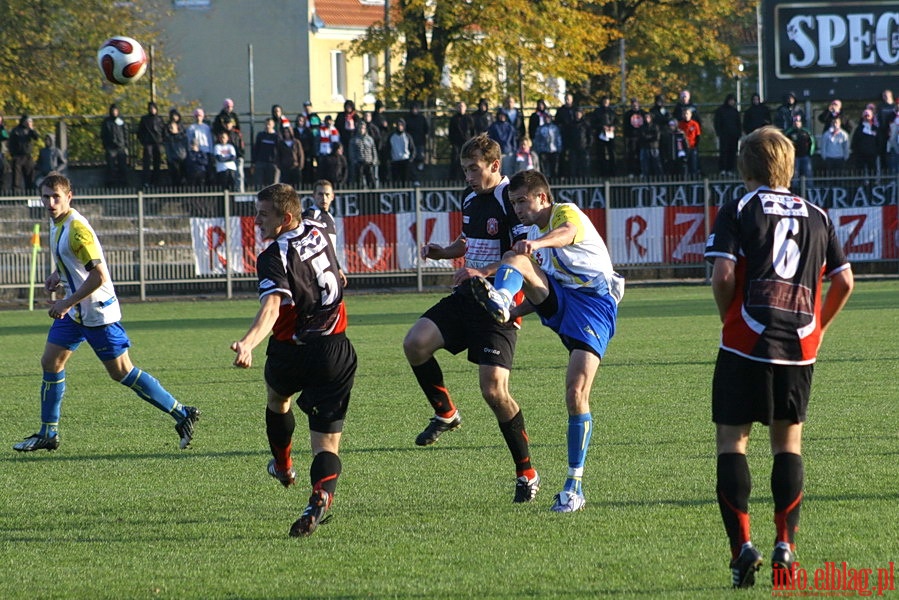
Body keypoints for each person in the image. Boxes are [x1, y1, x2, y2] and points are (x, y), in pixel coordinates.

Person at [703, 126, 853, 589]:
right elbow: (845, 282)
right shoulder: (819, 215)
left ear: (745, 167)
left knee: (733, 443)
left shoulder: (740, 207)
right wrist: (819, 329)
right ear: (788, 165)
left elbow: (723, 273)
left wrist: (728, 313)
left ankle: (741, 549)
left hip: (746, 340)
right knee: (788, 446)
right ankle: (785, 545)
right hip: (798, 345)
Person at [468, 169, 624, 513]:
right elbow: (541, 290)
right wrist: (516, 310)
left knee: (575, 393)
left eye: (523, 200)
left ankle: (573, 487)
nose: (519, 208)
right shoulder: (534, 233)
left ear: (543, 197)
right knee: (516, 259)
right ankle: (503, 302)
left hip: (594, 305)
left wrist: (536, 243)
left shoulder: (563, 213)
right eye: (514, 203)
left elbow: (567, 234)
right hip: (562, 299)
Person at [13, 172, 200, 453]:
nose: (50, 202)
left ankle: (181, 412)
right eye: (45, 197)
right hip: (76, 311)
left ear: (69, 197)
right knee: (50, 362)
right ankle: (47, 433)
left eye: (56, 197)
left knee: (122, 372)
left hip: (97, 312)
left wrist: (65, 302)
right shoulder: (57, 223)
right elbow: (75, 261)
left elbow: (99, 276)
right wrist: (58, 274)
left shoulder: (77, 228)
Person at [402, 133, 540, 504]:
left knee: (494, 391)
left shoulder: (511, 200)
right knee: (415, 344)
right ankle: (446, 413)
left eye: (474, 168)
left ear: (495, 165)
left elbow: (520, 256)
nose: (468, 175)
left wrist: (483, 273)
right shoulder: (469, 196)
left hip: (499, 301)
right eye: (464, 168)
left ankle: (527, 472)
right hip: (467, 295)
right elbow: (467, 241)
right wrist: (442, 251)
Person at [231, 182, 357, 538]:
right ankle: (319, 495)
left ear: (285, 218)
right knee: (326, 446)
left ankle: (284, 467)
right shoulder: (318, 228)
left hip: (291, 349)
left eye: (263, 214)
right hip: (335, 350)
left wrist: (248, 343)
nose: (255, 220)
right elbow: (333, 266)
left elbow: (272, 307)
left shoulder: (273, 255)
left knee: (277, 399)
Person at [302, 179, 348, 288]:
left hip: (328, 270)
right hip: (314, 272)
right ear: (314, 195)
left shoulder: (330, 217)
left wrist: (338, 268)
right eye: (320, 194)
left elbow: (330, 248)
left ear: (332, 196)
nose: (324, 198)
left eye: (327, 194)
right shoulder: (310, 215)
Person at [137, 101, 165, 187]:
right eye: (151, 108)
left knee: (157, 163)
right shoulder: (144, 119)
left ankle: (156, 181)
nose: (152, 110)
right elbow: (140, 132)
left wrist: (162, 141)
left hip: (158, 143)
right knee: (147, 163)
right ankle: (146, 181)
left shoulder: (160, 119)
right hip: (148, 143)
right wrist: (143, 141)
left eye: (154, 108)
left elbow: (163, 130)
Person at [100, 105, 128, 188]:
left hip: (120, 146)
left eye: (115, 111)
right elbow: (103, 134)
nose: (114, 112)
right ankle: (111, 183)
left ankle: (123, 183)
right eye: (113, 111)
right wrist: (106, 145)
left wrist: (125, 144)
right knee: (110, 166)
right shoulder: (107, 122)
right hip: (110, 146)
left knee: (122, 165)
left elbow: (125, 132)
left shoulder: (120, 121)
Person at [10, 114, 40, 190]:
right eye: (27, 121)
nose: (28, 123)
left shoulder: (30, 131)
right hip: (18, 157)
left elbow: (36, 137)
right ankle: (16, 199)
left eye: (30, 121)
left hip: (28, 157)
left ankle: (30, 196)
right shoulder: (16, 130)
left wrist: (31, 129)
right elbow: (11, 144)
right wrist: (13, 155)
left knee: (30, 178)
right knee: (16, 179)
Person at [714, 94, 741, 176]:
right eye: (730, 100)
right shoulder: (721, 111)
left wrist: (738, 133)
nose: (732, 102)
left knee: (732, 152)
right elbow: (717, 123)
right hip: (724, 135)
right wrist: (719, 133)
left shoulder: (735, 111)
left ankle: (730, 169)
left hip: (733, 135)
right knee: (723, 152)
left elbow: (738, 123)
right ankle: (723, 169)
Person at [785, 114, 815, 187]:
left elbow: (812, 142)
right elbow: (785, 144)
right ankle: (796, 189)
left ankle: (810, 189)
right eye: (795, 121)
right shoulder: (789, 132)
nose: (797, 123)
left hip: (805, 156)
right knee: (795, 173)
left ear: (801, 122)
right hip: (794, 157)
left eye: (798, 121)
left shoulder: (806, 132)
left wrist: (810, 153)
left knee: (808, 173)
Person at [448, 101, 475, 180]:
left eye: (462, 106)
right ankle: (453, 179)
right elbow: (451, 132)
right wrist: (452, 142)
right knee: (455, 160)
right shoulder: (453, 119)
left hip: (467, 143)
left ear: (465, 108)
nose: (461, 108)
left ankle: (466, 178)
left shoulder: (469, 118)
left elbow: (472, 131)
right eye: (459, 107)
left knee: (467, 160)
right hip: (456, 143)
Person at [591, 97, 617, 178]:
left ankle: (612, 172)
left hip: (610, 134)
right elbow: (593, 123)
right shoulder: (597, 111)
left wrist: (613, 127)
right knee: (601, 154)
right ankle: (602, 172)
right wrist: (602, 127)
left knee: (611, 153)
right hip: (600, 135)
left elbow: (616, 121)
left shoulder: (612, 111)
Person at [186, 108, 213, 185]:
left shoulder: (206, 127)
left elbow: (210, 140)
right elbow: (189, 140)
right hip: (196, 152)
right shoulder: (191, 128)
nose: (198, 117)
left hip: (206, 151)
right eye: (197, 116)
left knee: (208, 171)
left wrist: (211, 151)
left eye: (200, 116)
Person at [349, 121, 378, 189]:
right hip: (359, 162)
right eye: (360, 128)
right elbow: (352, 152)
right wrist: (354, 161)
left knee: (371, 180)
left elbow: (373, 150)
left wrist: (374, 161)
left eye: (363, 128)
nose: (361, 129)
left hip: (369, 162)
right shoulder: (354, 140)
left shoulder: (370, 139)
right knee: (359, 180)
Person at [850, 109, 879, 176]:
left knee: (872, 171)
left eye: (868, 115)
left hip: (872, 154)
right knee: (860, 171)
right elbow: (855, 141)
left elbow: (879, 141)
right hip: (861, 154)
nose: (867, 117)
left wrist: (877, 151)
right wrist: (855, 151)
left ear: (872, 116)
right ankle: (861, 185)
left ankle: (872, 184)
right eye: (865, 115)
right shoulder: (859, 129)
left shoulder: (875, 128)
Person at [163, 109, 188, 186]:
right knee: (174, 174)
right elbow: (166, 143)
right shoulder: (167, 130)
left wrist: (177, 133)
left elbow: (185, 141)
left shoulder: (182, 128)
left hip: (182, 156)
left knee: (183, 173)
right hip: (172, 156)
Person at [253, 117, 281, 187]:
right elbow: (256, 149)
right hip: (261, 162)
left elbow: (280, 150)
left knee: (273, 185)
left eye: (269, 124)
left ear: (273, 125)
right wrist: (254, 162)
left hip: (272, 163)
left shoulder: (277, 136)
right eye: (266, 124)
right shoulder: (260, 135)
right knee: (259, 183)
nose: (267, 126)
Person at [533, 113, 562, 179]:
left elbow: (558, 138)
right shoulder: (540, 128)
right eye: (545, 118)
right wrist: (538, 149)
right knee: (544, 168)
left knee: (554, 167)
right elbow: (537, 140)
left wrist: (559, 148)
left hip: (554, 150)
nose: (547, 119)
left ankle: (554, 181)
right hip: (543, 150)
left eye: (548, 117)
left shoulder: (555, 128)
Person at [622, 98, 646, 177]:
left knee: (641, 155)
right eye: (633, 104)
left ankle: (641, 171)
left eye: (636, 104)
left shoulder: (643, 113)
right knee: (631, 155)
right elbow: (625, 126)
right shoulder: (628, 114)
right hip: (631, 137)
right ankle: (631, 172)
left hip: (641, 137)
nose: (634, 106)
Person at [387, 119, 415, 185]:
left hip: (405, 161)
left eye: (401, 125)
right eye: (398, 125)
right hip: (395, 161)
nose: (400, 127)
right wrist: (389, 158)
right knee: (395, 181)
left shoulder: (407, 136)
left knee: (405, 180)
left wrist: (411, 159)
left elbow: (412, 148)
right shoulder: (392, 137)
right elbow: (387, 148)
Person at [404, 101, 429, 172]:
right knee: (411, 156)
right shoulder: (407, 118)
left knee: (420, 155)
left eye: (416, 108)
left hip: (420, 140)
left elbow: (426, 129)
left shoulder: (422, 118)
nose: (414, 110)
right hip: (410, 140)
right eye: (413, 109)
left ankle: (420, 165)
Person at [638, 111, 663, 177]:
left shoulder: (655, 126)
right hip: (645, 147)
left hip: (654, 147)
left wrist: (648, 137)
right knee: (645, 166)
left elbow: (657, 137)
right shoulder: (642, 127)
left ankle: (659, 181)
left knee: (656, 165)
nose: (647, 119)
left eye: (648, 117)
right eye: (645, 117)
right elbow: (641, 136)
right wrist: (650, 137)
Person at [678, 108, 702, 176]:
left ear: (690, 115)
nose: (686, 115)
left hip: (692, 147)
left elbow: (698, 136)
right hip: (683, 148)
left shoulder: (695, 124)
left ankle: (694, 181)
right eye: (684, 114)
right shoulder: (680, 124)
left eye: (687, 114)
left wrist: (695, 146)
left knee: (693, 164)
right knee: (684, 165)